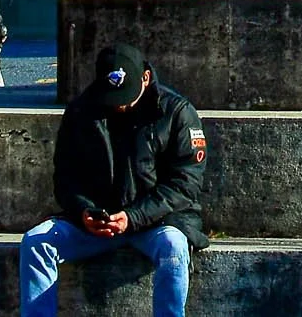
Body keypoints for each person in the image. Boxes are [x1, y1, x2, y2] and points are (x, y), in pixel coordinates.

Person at [20, 44, 207, 317]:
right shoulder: (80, 111)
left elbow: (185, 183)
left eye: (126, 95)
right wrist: (84, 211)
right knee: (35, 242)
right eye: (113, 96)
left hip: (157, 221)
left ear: (145, 77)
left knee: (174, 248)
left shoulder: (177, 112)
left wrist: (133, 217)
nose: (120, 103)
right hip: (96, 221)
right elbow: (65, 177)